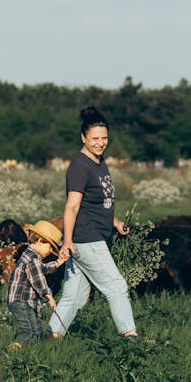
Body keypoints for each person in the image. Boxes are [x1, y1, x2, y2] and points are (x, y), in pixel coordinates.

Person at [49, 106, 139, 339]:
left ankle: (52, 336)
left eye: (104, 138)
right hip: (86, 238)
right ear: (83, 138)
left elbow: (98, 202)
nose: (100, 143)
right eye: (95, 139)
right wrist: (67, 241)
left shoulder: (99, 162)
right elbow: (73, 206)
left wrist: (115, 222)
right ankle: (131, 340)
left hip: (92, 236)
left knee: (74, 296)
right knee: (116, 287)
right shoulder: (80, 166)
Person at [6, 220, 65, 345]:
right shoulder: (32, 258)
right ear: (40, 241)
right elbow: (38, 280)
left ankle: (26, 351)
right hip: (21, 300)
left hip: (24, 301)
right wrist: (50, 297)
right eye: (50, 247)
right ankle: (12, 353)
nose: (50, 251)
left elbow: (44, 269)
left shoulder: (32, 256)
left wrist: (59, 262)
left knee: (36, 329)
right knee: (29, 331)